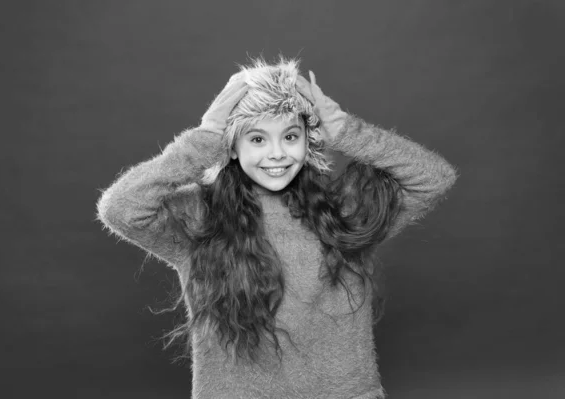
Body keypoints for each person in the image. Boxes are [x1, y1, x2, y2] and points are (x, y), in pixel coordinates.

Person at [96, 57, 458, 399]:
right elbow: (121, 208)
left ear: (307, 139)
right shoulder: (199, 214)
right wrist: (202, 141)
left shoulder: (343, 208)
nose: (277, 154)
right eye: (257, 139)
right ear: (232, 147)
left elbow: (434, 178)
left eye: (290, 136)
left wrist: (348, 131)